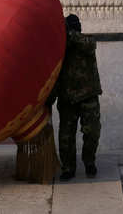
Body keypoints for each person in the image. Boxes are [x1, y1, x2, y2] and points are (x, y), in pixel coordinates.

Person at [48, 14, 102, 181]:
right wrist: (50, 99)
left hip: (88, 95)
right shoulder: (60, 49)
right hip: (67, 98)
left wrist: (69, 34)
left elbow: (90, 44)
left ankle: (89, 162)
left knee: (92, 132)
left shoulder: (85, 42)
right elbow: (55, 75)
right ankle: (68, 167)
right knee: (66, 136)